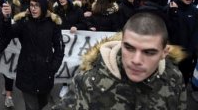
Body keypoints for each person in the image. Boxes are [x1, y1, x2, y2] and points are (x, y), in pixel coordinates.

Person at [53, 12, 187, 110]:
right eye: (129, 48)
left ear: (164, 53)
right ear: (121, 43)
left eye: (149, 52)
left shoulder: (174, 78)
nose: (136, 60)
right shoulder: (89, 80)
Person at [10, 0, 65, 110]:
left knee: (42, 103)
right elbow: (7, 33)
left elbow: (59, 47)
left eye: (37, 6)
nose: (33, 9)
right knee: (31, 106)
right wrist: (5, 19)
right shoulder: (23, 21)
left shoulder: (53, 23)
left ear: (44, 6)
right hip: (27, 72)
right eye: (31, 5)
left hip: (45, 72)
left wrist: (53, 67)